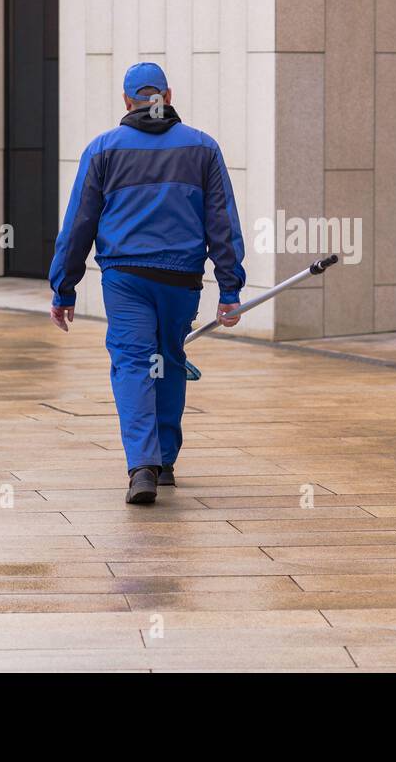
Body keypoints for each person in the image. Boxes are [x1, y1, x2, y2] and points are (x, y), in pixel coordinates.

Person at [49, 62, 246, 505]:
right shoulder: (202, 148)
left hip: (127, 278)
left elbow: (78, 223)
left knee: (134, 363)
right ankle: (166, 460)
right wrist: (230, 288)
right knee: (169, 360)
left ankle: (143, 465)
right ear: (168, 96)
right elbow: (222, 223)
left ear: (126, 101)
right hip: (181, 277)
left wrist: (64, 287)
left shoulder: (103, 149)